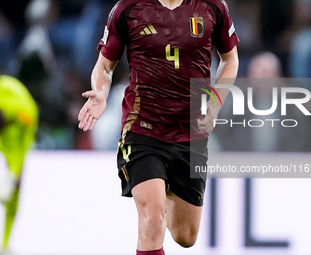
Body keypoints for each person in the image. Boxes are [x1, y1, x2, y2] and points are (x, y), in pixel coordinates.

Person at [78, 0, 239, 254]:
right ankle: (154, 197)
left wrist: (216, 103)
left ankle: (161, 190)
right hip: (142, 129)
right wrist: (100, 92)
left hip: (191, 134)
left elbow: (230, 60)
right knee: (152, 222)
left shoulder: (213, 6)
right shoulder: (128, 9)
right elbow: (105, 65)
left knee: (186, 235)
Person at [0, 75, 39, 255]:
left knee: (12, 193)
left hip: (17, 135)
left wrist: (17, 173)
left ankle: (5, 243)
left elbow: (25, 144)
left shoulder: (24, 113)